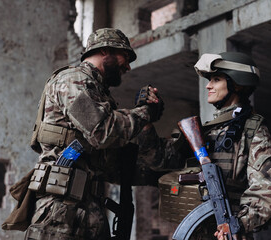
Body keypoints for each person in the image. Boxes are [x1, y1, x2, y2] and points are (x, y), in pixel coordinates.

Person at [21, 28, 165, 239]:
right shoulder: (72, 81)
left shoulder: (98, 92)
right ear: (106, 51)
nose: (128, 65)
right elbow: (102, 132)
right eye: (125, 56)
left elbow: (106, 159)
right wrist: (145, 112)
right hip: (61, 212)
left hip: (89, 207)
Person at [177, 52, 271, 240]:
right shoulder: (208, 130)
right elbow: (162, 160)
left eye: (216, 79)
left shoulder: (253, 130)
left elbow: (263, 191)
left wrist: (236, 225)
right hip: (199, 232)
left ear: (236, 84)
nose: (208, 85)